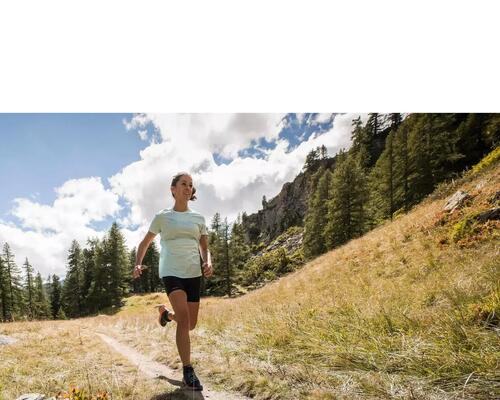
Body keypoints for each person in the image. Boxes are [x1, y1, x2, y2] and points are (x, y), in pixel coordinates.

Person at [133, 172, 213, 391]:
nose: (188, 188)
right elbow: (145, 243)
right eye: (183, 184)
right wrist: (138, 264)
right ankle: (188, 370)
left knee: (190, 324)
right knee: (185, 321)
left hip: (193, 273)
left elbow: (205, 247)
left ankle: (165, 314)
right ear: (173, 189)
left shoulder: (198, 219)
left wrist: (208, 262)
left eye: (191, 185)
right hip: (171, 271)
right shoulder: (163, 217)